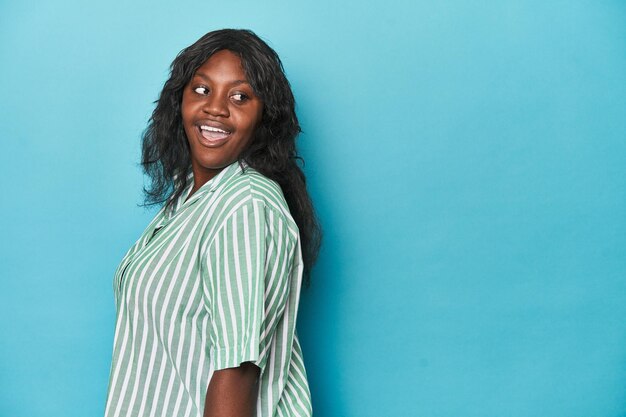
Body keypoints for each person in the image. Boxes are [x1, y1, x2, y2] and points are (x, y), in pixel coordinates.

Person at [104, 28, 321, 417]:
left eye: (240, 96)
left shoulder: (244, 205)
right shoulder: (189, 198)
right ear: (180, 101)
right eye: (202, 90)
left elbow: (236, 370)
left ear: (264, 117)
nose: (216, 109)